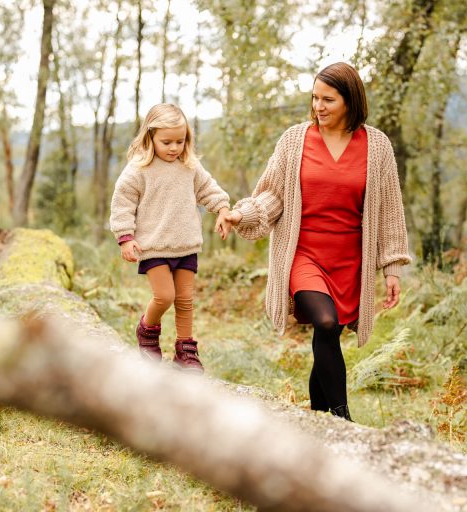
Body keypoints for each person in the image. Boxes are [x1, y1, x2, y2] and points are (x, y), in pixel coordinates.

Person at [223, 62, 412, 421]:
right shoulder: (295, 140)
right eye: (315, 98)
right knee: (325, 323)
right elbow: (273, 195)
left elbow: (389, 210)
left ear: (350, 101)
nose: (318, 106)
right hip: (303, 254)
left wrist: (392, 268)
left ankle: (317, 422)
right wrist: (241, 214)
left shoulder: (377, 146)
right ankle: (344, 420)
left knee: (328, 339)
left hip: (349, 261)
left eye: (328, 99)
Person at [110, 103, 231, 373]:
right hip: (153, 246)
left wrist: (223, 209)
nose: (174, 147)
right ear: (150, 137)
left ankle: (185, 352)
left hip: (186, 244)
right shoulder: (138, 169)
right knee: (164, 296)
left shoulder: (189, 166)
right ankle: (147, 330)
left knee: (185, 300)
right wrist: (125, 237)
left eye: (180, 141)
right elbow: (122, 204)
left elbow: (208, 189)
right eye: (167, 142)